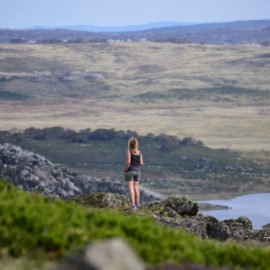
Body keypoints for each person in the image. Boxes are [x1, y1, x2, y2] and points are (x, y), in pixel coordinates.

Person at [124, 137, 143, 208]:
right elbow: (141, 163)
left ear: (129, 144)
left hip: (130, 171)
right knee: (136, 188)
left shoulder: (129, 151)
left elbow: (128, 162)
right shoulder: (139, 152)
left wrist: (125, 170)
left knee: (131, 189)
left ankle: (133, 205)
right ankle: (138, 205)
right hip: (137, 172)